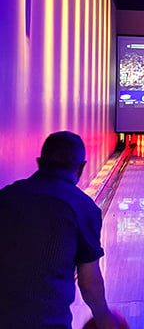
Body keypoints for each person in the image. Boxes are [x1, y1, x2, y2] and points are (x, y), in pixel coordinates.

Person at [0, 131, 121, 329]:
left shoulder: (5, 196)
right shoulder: (84, 207)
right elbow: (90, 284)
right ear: (82, 167)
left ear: (39, 162)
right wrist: (103, 317)